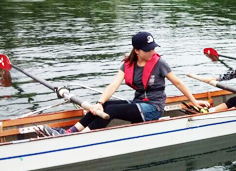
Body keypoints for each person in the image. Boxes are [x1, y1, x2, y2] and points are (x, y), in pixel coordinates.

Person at [46, 32, 209, 135]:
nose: (152, 52)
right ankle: (70, 132)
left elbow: (178, 83)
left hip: (154, 108)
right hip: (139, 103)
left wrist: (193, 101)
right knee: (107, 105)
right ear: (137, 51)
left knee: (113, 110)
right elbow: (112, 86)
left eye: (153, 48)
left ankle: (76, 138)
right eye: (148, 50)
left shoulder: (160, 63)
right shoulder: (127, 64)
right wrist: (99, 104)